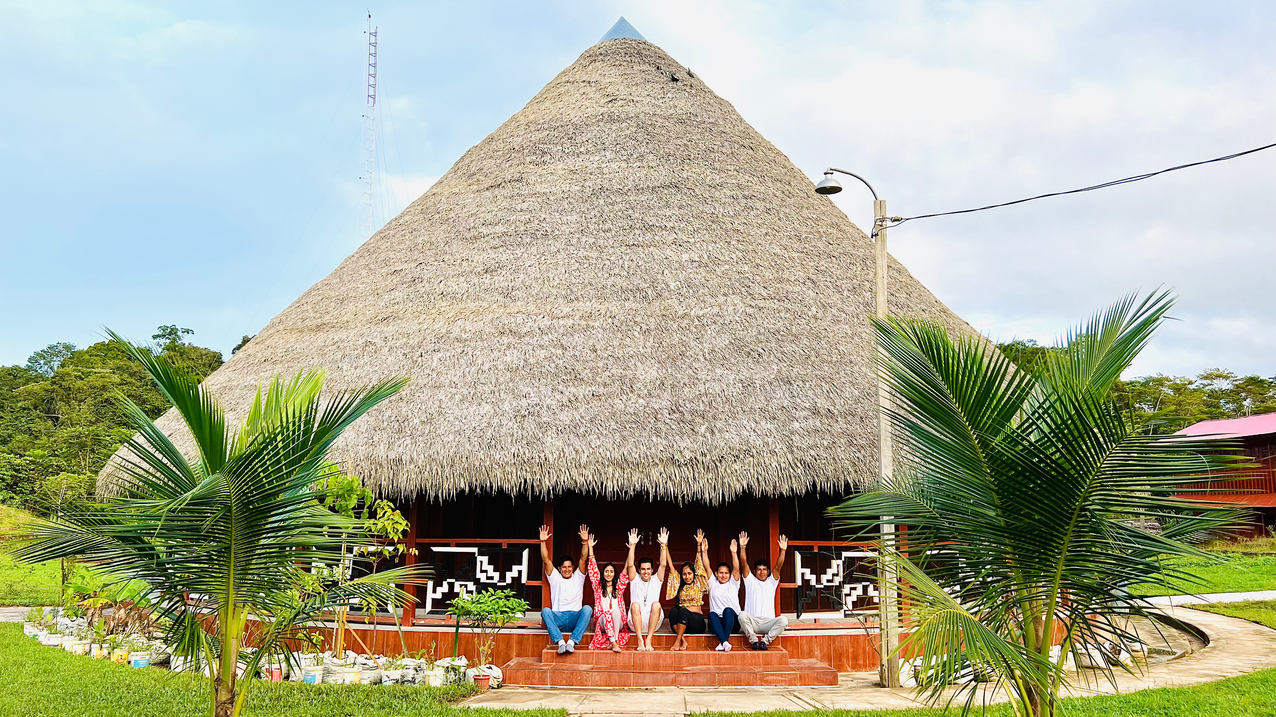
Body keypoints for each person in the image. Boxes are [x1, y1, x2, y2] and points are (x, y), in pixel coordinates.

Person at [538, 523, 593, 654]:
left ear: (573, 567)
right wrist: (543, 542)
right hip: (559, 617)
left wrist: (585, 542)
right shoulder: (555, 577)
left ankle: (572, 642)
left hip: (575, 617)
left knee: (587, 609)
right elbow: (546, 560)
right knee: (545, 611)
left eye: (569, 567)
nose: (567, 569)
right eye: (564, 567)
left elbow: (583, 559)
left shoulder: (578, 576)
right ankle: (560, 642)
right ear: (559, 568)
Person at [736, 531, 789, 650]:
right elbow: (743, 564)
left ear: (768, 571)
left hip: (768, 622)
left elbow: (778, 566)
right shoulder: (750, 581)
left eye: (764, 569)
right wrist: (742, 547)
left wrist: (783, 550)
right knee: (741, 615)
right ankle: (754, 640)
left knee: (783, 620)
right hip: (753, 622)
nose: (762, 572)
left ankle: (765, 641)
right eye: (759, 570)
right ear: (755, 571)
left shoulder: (772, 581)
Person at [664, 529, 710, 651]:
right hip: (682, 623)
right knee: (673, 611)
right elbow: (671, 566)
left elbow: (699, 563)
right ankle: (682, 639)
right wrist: (665, 546)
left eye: (689, 573)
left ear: (694, 574)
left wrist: (699, 545)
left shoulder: (698, 583)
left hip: (697, 623)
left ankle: (677, 641)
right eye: (684, 574)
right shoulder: (680, 584)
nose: (687, 576)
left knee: (683, 610)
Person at [585, 531, 630, 652]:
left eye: (611, 571)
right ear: (603, 573)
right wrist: (590, 548)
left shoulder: (619, 587)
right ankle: (614, 643)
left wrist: (632, 548)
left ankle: (613, 641)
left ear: (614, 574)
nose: (608, 574)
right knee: (606, 614)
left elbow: (627, 568)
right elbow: (593, 568)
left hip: (617, 622)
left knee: (615, 612)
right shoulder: (598, 587)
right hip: (602, 622)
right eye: (606, 571)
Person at [626, 527, 668, 652]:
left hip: (653, 623)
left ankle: (648, 639)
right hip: (635, 622)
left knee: (656, 605)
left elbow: (663, 564)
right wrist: (633, 546)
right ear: (639, 570)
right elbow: (630, 564)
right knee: (635, 605)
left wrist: (663, 546)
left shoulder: (656, 579)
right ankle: (640, 640)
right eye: (643, 569)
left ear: (652, 570)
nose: (646, 572)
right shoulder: (635, 579)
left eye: (648, 569)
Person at [707, 536, 742, 651]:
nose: (723, 575)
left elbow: (736, 569)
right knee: (711, 615)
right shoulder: (713, 583)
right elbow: (707, 567)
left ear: (730, 574)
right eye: (721, 573)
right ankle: (725, 642)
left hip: (733, 622)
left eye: (726, 573)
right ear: (716, 573)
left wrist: (734, 553)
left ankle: (723, 641)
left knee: (728, 610)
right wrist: (704, 551)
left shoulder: (733, 583)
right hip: (717, 623)